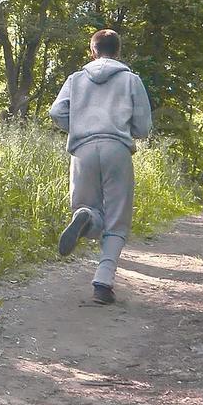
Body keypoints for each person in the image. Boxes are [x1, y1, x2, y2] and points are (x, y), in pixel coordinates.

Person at [47, 28, 153, 305]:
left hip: (82, 150)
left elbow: (56, 111)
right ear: (117, 51)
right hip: (116, 149)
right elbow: (143, 127)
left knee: (89, 210)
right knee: (117, 221)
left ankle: (85, 217)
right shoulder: (131, 80)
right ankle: (103, 284)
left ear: (92, 51)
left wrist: (79, 125)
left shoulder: (76, 78)